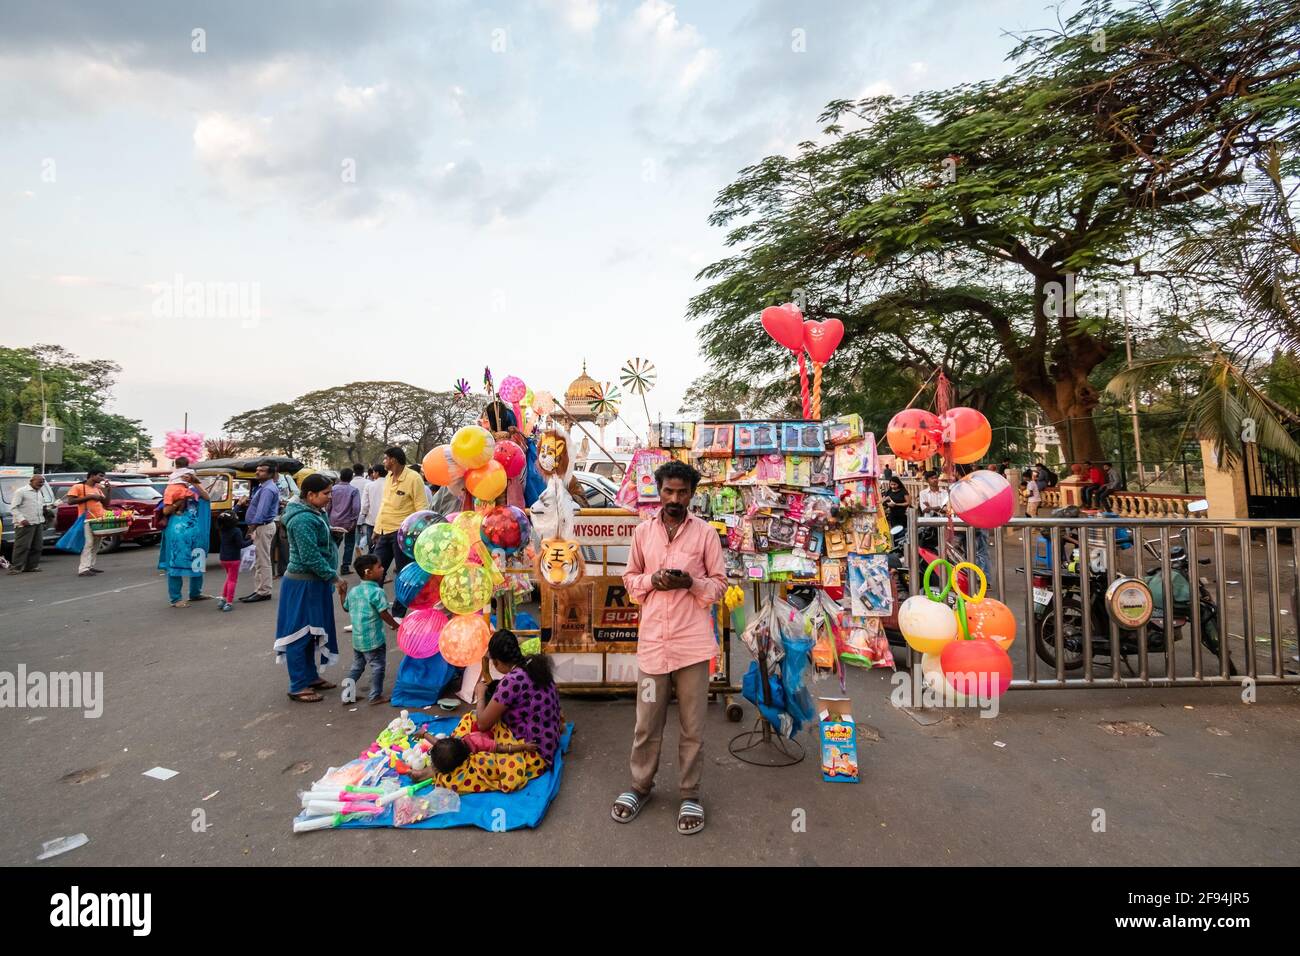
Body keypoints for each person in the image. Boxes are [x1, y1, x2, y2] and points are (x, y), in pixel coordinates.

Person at [613, 460, 726, 835]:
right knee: (647, 723)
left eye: (682, 492)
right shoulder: (643, 533)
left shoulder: (706, 534)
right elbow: (629, 579)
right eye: (668, 491)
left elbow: (720, 585)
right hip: (652, 647)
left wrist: (691, 582)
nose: (674, 499)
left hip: (692, 647)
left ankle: (690, 794)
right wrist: (653, 581)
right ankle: (640, 787)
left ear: (692, 494)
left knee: (693, 726)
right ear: (658, 492)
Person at [274, 473, 344, 703]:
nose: (329, 498)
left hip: (314, 583)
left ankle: (310, 676)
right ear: (310, 495)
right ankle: (298, 684)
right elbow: (310, 557)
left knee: (313, 631)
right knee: (299, 634)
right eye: (326, 494)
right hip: (302, 584)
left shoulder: (315, 512)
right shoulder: (303, 519)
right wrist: (335, 578)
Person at [371, 448, 425, 619]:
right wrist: (376, 529)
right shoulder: (387, 477)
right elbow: (384, 505)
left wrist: (417, 536)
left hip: (402, 535)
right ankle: (372, 612)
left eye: (386, 458)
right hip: (383, 531)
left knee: (403, 575)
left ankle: (398, 615)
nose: (384, 461)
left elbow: (421, 509)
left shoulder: (413, 478)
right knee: (374, 572)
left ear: (393, 460)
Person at [341, 554, 398, 704]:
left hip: (358, 639)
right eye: (379, 567)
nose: (383, 568)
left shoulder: (354, 591)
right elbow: (383, 612)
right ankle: (375, 696)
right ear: (368, 572)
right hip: (374, 640)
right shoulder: (377, 592)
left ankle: (347, 694)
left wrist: (342, 594)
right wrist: (395, 624)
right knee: (378, 666)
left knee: (357, 667)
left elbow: (345, 607)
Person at [160, 467, 212, 607]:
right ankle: (175, 598)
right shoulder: (172, 491)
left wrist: (195, 483)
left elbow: (207, 497)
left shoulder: (195, 491)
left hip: (196, 534)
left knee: (198, 563)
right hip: (177, 535)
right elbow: (166, 510)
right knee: (176, 564)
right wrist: (180, 499)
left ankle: (195, 593)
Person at [240, 461, 279, 603]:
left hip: (262, 526)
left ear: (270, 474)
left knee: (263, 560)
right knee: (258, 561)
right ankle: (259, 590)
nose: (257, 472)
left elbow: (262, 512)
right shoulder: (263, 487)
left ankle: (264, 591)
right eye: (257, 470)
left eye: (261, 470)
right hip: (260, 526)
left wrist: (251, 528)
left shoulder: (268, 489)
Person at [67, 469, 110, 577]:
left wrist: (108, 491)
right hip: (87, 519)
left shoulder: (97, 489)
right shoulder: (78, 487)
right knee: (89, 544)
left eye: (103, 476)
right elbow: (70, 501)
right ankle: (83, 569)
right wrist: (90, 497)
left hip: (99, 518)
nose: (102, 478)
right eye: (100, 476)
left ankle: (90, 566)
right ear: (92, 476)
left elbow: (106, 503)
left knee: (97, 543)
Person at [8, 474, 52, 574]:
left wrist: (50, 507)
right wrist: (21, 519)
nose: (41, 484)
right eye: (39, 481)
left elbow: (40, 506)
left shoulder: (39, 492)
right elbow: (14, 507)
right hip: (25, 523)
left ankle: (31, 566)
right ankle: (16, 567)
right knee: (22, 546)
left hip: (38, 522)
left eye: (42, 482)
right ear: (32, 481)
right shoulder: (21, 491)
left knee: (37, 546)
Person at [329, 468, 361, 574]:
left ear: (340, 476)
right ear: (351, 477)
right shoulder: (354, 490)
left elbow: (329, 505)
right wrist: (354, 520)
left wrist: (328, 517)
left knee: (334, 544)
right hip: (348, 522)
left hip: (334, 521)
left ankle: (330, 565)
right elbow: (356, 507)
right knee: (349, 544)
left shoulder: (333, 489)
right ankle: (345, 567)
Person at [216, 511, 251, 611]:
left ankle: (223, 598)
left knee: (229, 578)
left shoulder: (222, 530)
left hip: (223, 559)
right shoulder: (236, 531)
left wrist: (239, 505)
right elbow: (241, 545)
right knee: (232, 580)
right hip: (234, 559)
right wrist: (252, 540)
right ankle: (229, 602)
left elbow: (228, 515)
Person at [357, 464, 385, 557]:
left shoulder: (369, 485)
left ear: (377, 473)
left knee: (371, 545)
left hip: (371, 520)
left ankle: (371, 563)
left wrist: (363, 514)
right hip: (386, 521)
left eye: (373, 472)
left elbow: (365, 504)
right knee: (383, 547)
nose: (372, 474)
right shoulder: (391, 485)